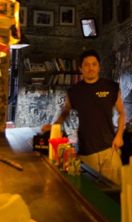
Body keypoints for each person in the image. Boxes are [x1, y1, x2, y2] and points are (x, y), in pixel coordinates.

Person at [41, 49, 125, 186]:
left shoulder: (111, 87)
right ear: (81, 68)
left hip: (110, 150)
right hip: (86, 151)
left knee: (114, 191)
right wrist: (54, 125)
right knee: (90, 193)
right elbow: (65, 112)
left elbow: (122, 112)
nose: (90, 68)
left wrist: (119, 135)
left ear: (99, 67)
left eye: (94, 64)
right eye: (86, 65)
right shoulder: (74, 91)